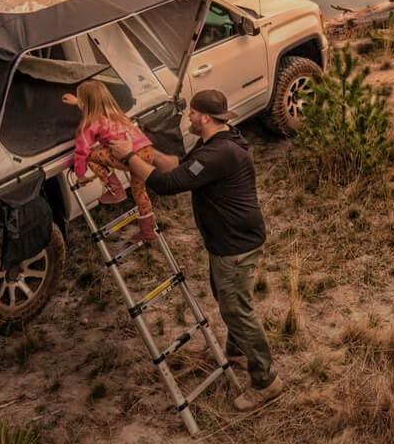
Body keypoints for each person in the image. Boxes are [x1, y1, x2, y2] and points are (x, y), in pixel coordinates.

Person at [117, 89, 282, 412]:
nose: (188, 118)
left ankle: (266, 381)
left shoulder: (219, 154)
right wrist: (142, 151)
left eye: (192, 113)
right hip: (227, 241)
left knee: (236, 309)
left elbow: (168, 185)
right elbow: (177, 166)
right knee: (227, 299)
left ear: (205, 117)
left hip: (235, 244)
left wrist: (127, 158)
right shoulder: (214, 142)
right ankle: (237, 351)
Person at [64, 80, 160, 241]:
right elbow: (92, 104)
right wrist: (77, 102)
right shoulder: (116, 114)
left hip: (128, 156)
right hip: (147, 152)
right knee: (139, 191)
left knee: (89, 154)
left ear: (86, 103)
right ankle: (148, 231)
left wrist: (80, 175)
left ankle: (116, 190)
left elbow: (81, 151)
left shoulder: (89, 124)